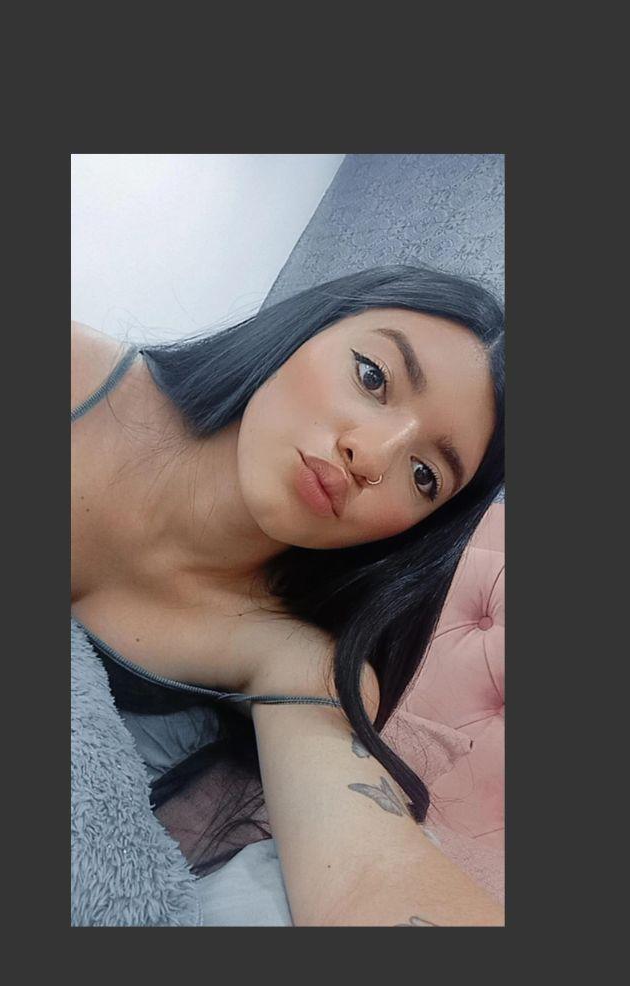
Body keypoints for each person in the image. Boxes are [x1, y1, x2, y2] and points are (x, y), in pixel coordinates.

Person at [71, 265, 505, 926]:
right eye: (372, 377)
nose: (371, 455)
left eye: (424, 475)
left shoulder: (299, 657)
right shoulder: (80, 376)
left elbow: (369, 870)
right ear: (309, 327)